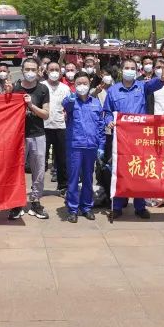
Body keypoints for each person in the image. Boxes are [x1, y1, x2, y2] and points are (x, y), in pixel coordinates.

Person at [100, 58, 164, 219]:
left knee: (139, 171)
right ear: (121, 70)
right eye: (126, 68)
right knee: (120, 172)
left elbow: (156, 84)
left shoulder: (142, 86)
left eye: (132, 68)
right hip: (120, 139)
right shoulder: (113, 90)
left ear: (137, 71)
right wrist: (109, 121)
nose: (129, 70)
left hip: (140, 138)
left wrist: (162, 78)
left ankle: (140, 206)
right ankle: (118, 206)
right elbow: (107, 112)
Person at [10, 57, 51, 220]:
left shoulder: (43, 89)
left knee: (39, 170)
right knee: (16, 170)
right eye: (27, 69)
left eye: (33, 69)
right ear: (22, 70)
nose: (30, 72)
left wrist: (31, 106)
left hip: (37, 134)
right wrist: (7, 93)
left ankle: (35, 202)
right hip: (18, 136)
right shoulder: (15, 88)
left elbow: (46, 114)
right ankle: (16, 203)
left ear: (38, 70)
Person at [62, 71, 105, 223]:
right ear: (74, 85)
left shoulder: (95, 103)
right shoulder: (71, 101)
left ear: (89, 84)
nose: (82, 86)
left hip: (91, 147)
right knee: (73, 179)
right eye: (79, 83)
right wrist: (71, 98)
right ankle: (73, 209)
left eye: (85, 83)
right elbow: (65, 105)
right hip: (75, 146)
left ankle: (87, 207)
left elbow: (100, 125)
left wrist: (101, 145)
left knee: (88, 178)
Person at [42, 60, 71, 194]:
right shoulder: (41, 86)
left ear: (60, 72)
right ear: (46, 71)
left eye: (56, 70)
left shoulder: (65, 88)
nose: (54, 72)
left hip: (61, 126)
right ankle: (38, 186)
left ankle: (63, 185)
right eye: (51, 70)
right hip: (44, 126)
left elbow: (70, 107)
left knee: (62, 159)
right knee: (41, 159)